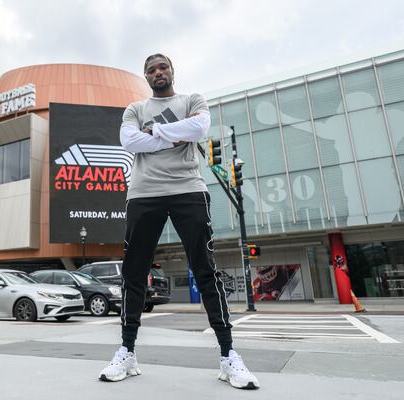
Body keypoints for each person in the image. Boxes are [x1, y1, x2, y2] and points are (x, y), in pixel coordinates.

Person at [98, 54, 259, 389]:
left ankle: (229, 356)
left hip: (188, 189)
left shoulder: (192, 100)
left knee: (205, 268)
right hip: (143, 193)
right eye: (152, 70)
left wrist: (155, 131)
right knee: (133, 270)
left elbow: (199, 128)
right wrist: (176, 134)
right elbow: (129, 141)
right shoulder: (134, 109)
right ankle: (126, 352)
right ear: (145, 76)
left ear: (172, 71)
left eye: (163, 68)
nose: (159, 73)